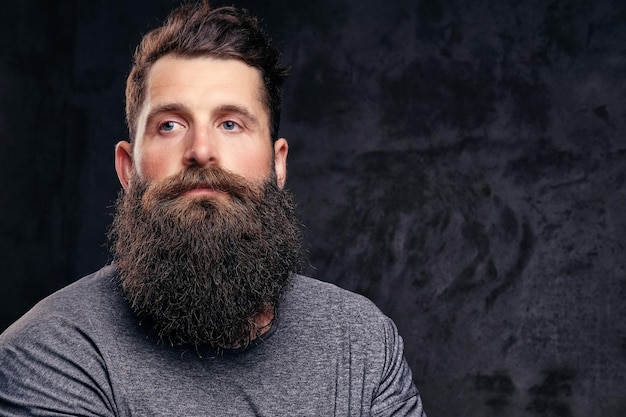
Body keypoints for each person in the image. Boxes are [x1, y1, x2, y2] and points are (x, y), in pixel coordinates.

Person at [0, 2, 426, 415]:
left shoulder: (364, 344)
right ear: (128, 169)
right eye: (170, 125)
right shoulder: (50, 354)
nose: (201, 151)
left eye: (230, 124)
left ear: (278, 164)